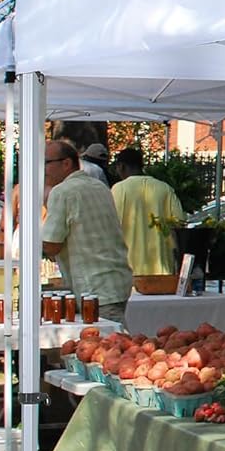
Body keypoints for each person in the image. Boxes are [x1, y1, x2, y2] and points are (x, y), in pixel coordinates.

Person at [42, 138, 134, 324]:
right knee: (111, 343)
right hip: (115, 282)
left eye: (46, 163)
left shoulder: (62, 192)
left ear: (66, 163)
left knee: (106, 348)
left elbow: (51, 246)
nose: (44, 170)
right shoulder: (99, 186)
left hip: (94, 289)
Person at [109, 147, 184, 277]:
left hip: (128, 268)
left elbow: (109, 226)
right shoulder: (165, 188)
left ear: (121, 166)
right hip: (162, 267)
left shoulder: (117, 190)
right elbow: (179, 224)